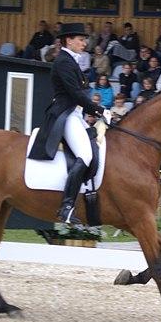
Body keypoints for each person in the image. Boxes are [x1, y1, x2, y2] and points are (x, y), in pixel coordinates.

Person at [28, 23, 107, 225]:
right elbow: (75, 93)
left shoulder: (71, 61)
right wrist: (99, 111)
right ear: (68, 40)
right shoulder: (63, 61)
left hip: (75, 114)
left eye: (84, 40)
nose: (84, 43)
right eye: (80, 39)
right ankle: (67, 207)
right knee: (86, 155)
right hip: (66, 114)